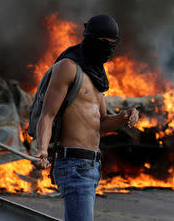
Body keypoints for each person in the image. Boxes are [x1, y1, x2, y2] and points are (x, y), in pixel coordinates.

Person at [34, 15, 139, 221]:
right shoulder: (68, 67)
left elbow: (100, 124)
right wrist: (43, 150)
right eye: (102, 43)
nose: (107, 49)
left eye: (111, 45)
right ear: (89, 38)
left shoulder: (97, 75)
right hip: (74, 165)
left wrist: (123, 117)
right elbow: (48, 114)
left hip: (92, 166)